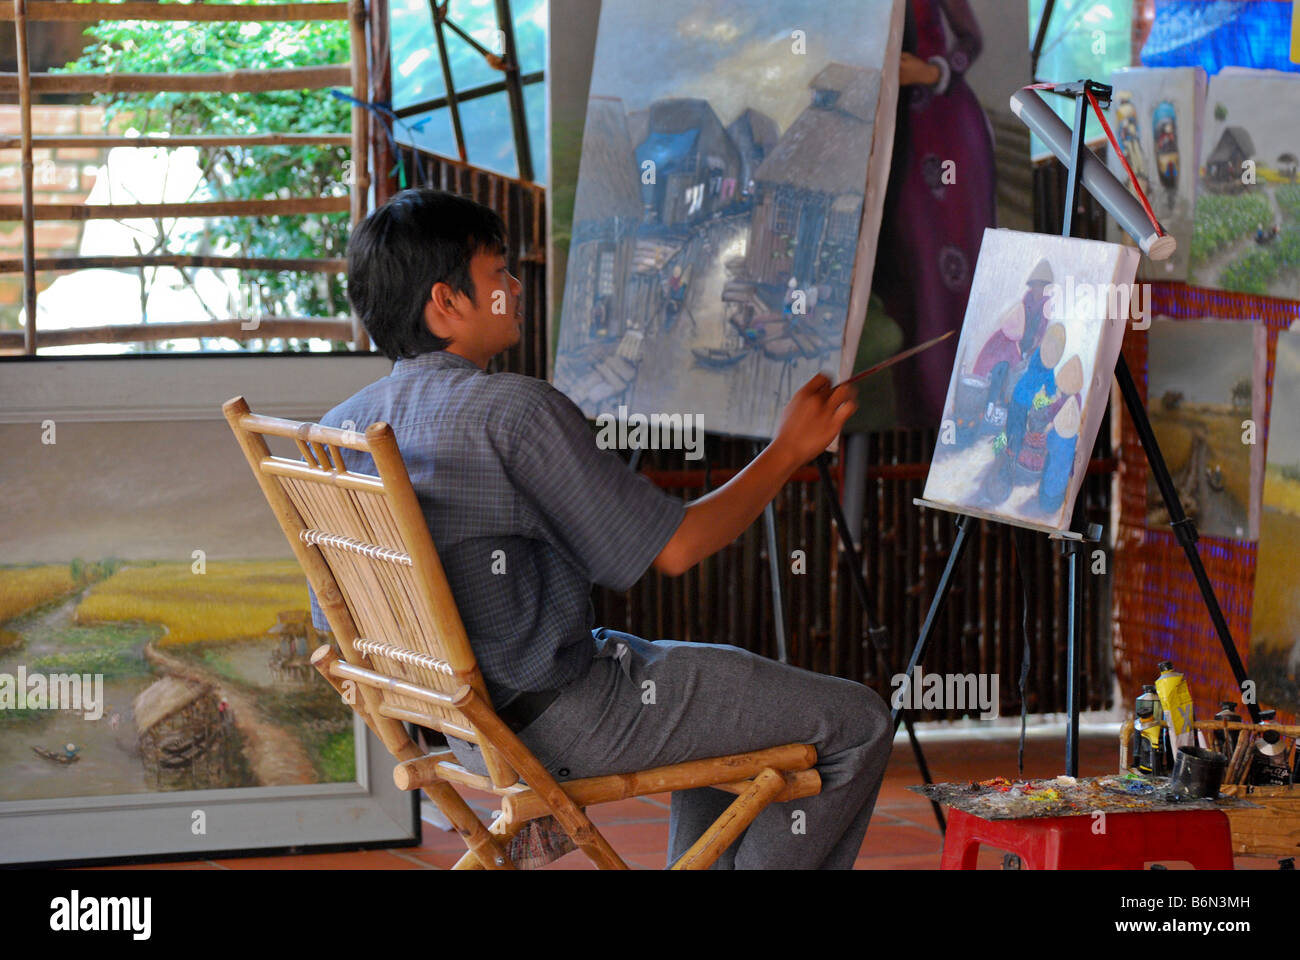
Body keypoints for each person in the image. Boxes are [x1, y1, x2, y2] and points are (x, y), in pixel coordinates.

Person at [307, 189, 893, 869]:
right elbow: (677, 547)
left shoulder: (342, 425)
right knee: (857, 722)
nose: (516, 287)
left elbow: (332, 618)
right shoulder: (513, 414)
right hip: (565, 720)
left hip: (462, 725)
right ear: (448, 302)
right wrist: (788, 451)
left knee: (724, 723)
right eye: (500, 273)